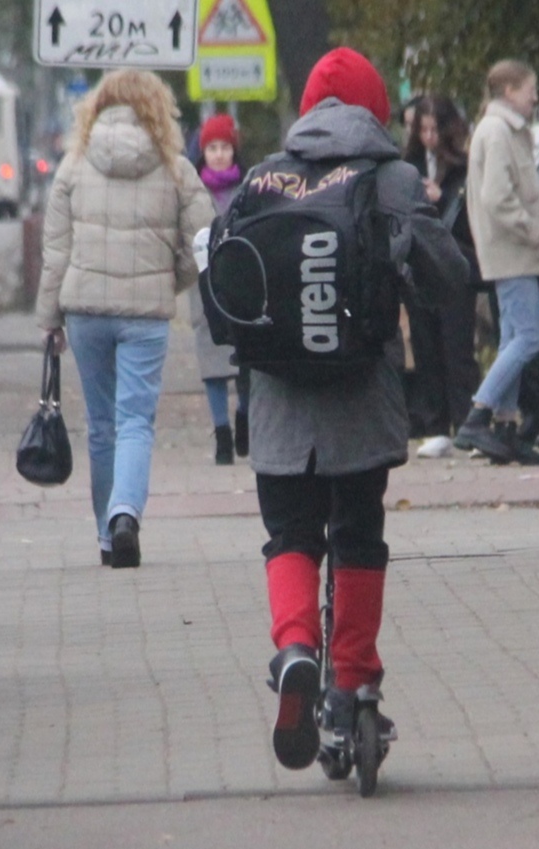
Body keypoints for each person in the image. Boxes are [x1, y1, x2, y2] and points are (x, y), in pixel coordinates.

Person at [247, 49, 467, 769]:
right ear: (376, 111)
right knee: (357, 535)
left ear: (307, 108)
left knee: (288, 533)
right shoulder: (395, 178)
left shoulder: (260, 178)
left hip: (278, 403)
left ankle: (294, 648)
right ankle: (352, 684)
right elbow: (447, 280)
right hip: (362, 405)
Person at [36, 69, 213, 568]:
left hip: (86, 311)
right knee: (135, 419)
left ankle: (106, 538)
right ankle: (124, 513)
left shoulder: (72, 167)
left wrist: (49, 319)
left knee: (101, 425)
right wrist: (167, 277)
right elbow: (204, 238)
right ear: (159, 110)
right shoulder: (177, 169)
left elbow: (56, 251)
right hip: (146, 314)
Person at [454, 60, 539, 465]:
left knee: (511, 337)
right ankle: (479, 414)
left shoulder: (504, 130)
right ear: (509, 91)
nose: (534, 97)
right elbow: (499, 198)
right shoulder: (499, 131)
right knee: (530, 336)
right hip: (514, 250)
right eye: (529, 90)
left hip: (512, 250)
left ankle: (505, 429)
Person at [401, 96, 482, 457]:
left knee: (456, 345)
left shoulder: (462, 166)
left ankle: (465, 418)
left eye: (435, 129)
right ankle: (436, 422)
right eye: (423, 130)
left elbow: (469, 215)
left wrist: (441, 194)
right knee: (425, 345)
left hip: (455, 261)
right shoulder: (409, 165)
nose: (429, 137)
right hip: (420, 265)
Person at [188, 113, 251, 464]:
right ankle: (222, 434)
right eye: (212, 147)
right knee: (211, 361)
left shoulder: (249, 185)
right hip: (205, 281)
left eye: (225, 146)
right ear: (203, 151)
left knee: (245, 358)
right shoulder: (193, 189)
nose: (219, 154)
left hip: (242, 279)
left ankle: (244, 417)